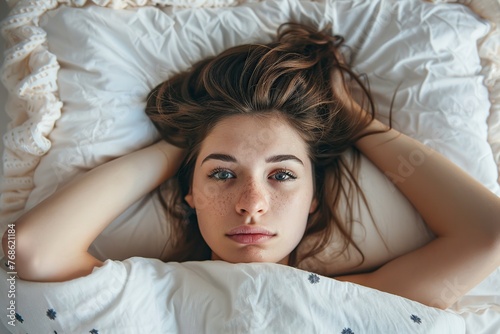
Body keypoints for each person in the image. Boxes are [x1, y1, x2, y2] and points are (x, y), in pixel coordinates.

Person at [4, 23, 500, 310]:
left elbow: (489, 233)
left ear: (313, 200)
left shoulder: (351, 300)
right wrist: (182, 144)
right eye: (221, 174)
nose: (251, 205)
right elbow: (23, 249)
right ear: (189, 192)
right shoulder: (151, 287)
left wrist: (358, 122)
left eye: (282, 175)